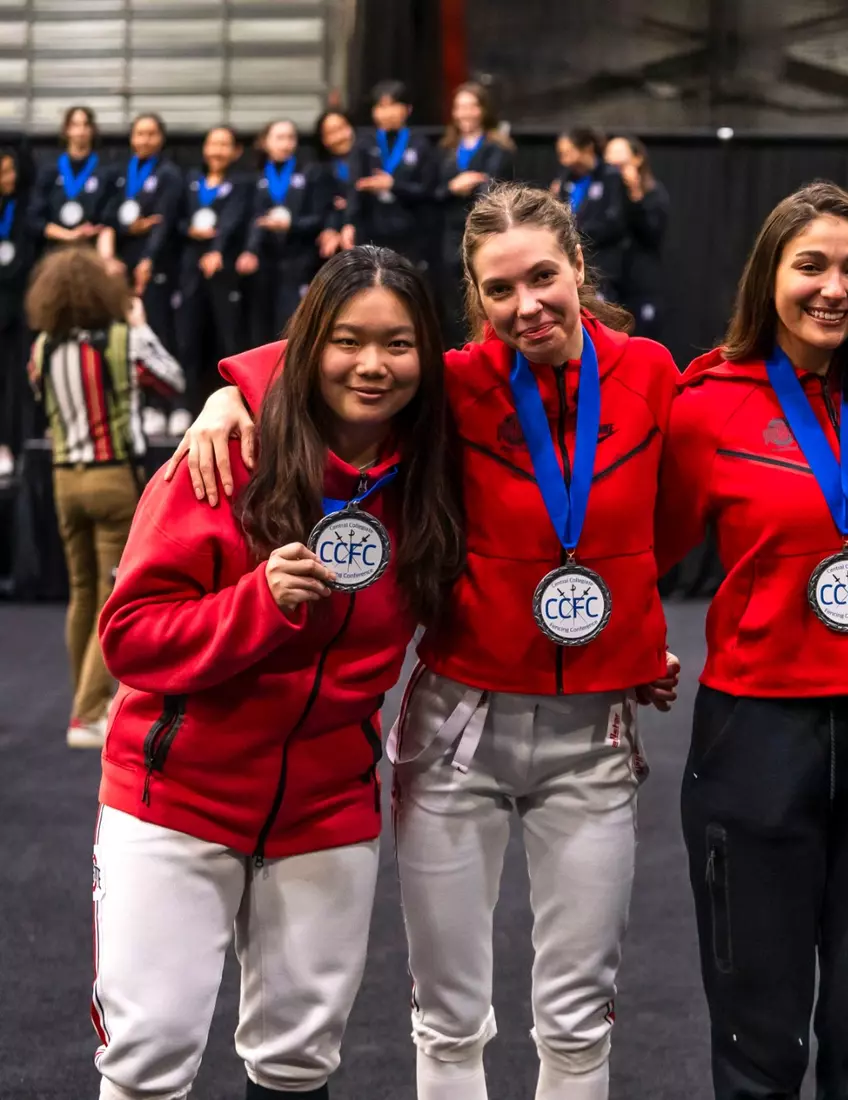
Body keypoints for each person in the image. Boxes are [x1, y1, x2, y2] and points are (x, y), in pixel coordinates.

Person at [167, 181, 682, 1100]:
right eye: (498, 290)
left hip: (591, 737)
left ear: (577, 267)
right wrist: (227, 390)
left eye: (543, 278)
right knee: (448, 1021)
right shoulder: (453, 382)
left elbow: (672, 516)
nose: (526, 306)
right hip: (458, 731)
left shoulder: (650, 371)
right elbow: (339, 355)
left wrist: (632, 629)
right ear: (474, 300)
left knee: (578, 1020)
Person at [90, 245, 463, 1100]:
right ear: (308, 347)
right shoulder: (226, 457)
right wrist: (256, 603)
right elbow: (132, 637)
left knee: (299, 1065)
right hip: (178, 798)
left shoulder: (437, 470)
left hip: (327, 810)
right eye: (346, 340)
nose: (372, 365)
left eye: (398, 344)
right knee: (148, 1062)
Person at [654, 181, 848, 1099]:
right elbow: (639, 549)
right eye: (811, 266)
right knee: (760, 1038)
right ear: (768, 277)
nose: (835, 288)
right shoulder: (705, 402)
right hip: (758, 737)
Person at [24, 247, 184, 748]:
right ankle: (89, 713)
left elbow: (37, 395)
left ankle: (85, 703)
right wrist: (140, 326)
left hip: (63, 478)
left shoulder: (43, 346)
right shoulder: (120, 341)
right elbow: (172, 381)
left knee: (82, 592)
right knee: (111, 595)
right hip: (113, 477)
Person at [97, 113, 185, 372]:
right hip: (122, 262)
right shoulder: (120, 172)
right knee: (118, 329)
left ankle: (164, 402)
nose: (145, 139)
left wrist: (148, 260)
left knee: (155, 327)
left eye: (151, 134)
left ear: (161, 138)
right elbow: (106, 216)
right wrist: (129, 228)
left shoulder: (169, 173)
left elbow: (163, 222)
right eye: (139, 133)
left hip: (155, 263)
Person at [173, 126, 249, 414]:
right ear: (204, 148)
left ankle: (234, 406)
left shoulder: (242, 184)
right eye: (212, 144)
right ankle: (184, 406)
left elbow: (234, 220)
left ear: (235, 151)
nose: (217, 150)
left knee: (227, 340)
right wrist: (188, 229)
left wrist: (217, 248)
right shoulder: (190, 181)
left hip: (225, 269)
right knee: (187, 339)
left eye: (224, 144)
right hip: (191, 268)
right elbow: (175, 220)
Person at [435, 81, 515, 346]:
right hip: (449, 232)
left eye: (471, 106)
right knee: (453, 299)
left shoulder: (498, 147)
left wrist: (473, 189)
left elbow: (493, 186)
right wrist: (454, 187)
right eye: (459, 107)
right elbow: (432, 192)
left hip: (483, 230)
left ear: (482, 110)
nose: (465, 113)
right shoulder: (446, 148)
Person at [238, 119, 326, 347]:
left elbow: (319, 219)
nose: (286, 143)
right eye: (279, 138)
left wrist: (291, 225)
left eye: (291, 138)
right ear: (265, 142)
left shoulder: (310, 172)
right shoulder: (253, 176)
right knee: (260, 330)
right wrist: (249, 251)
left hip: (298, 262)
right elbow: (249, 220)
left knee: (292, 327)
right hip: (264, 263)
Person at [345, 80, 436, 267]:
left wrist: (393, 186)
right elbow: (353, 187)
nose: (386, 113)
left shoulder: (420, 144)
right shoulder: (364, 143)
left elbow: (428, 189)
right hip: (371, 229)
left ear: (408, 109)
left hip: (410, 231)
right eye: (380, 106)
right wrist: (349, 223)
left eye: (393, 105)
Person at [602, 135, 667, 342]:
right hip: (613, 284)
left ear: (637, 160)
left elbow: (652, 233)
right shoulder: (606, 199)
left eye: (621, 166)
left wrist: (636, 195)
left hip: (642, 286)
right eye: (611, 167)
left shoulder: (654, 194)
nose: (617, 173)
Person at [551, 127, 626, 302]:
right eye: (561, 154)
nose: (564, 160)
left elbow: (614, 222)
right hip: (572, 261)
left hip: (603, 266)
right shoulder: (565, 178)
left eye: (568, 152)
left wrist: (576, 233)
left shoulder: (610, 176)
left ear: (587, 148)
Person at [29, 105, 107, 254]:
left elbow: (109, 217)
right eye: (75, 125)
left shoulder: (105, 169)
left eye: (86, 125)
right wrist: (68, 235)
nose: (81, 131)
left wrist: (93, 230)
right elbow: (34, 218)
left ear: (92, 130)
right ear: (66, 130)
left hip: (91, 251)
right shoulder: (49, 170)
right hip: (55, 251)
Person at [0, 145, 35, 478]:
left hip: (18, 307)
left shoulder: (26, 206)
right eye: (2, 173)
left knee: (15, 379)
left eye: (11, 171)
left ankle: (11, 445)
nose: (7, 179)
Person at [314, 108, 357, 260]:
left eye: (342, 128)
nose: (339, 137)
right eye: (331, 132)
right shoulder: (320, 171)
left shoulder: (372, 158)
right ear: (323, 140)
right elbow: (325, 208)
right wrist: (330, 229)